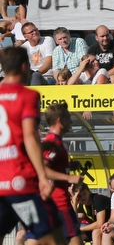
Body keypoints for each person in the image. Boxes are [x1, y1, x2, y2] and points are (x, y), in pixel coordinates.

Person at [0, 46, 62, 245]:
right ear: (25, 67)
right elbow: (29, 136)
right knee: (53, 235)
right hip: (20, 183)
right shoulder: (28, 95)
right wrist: (42, 177)